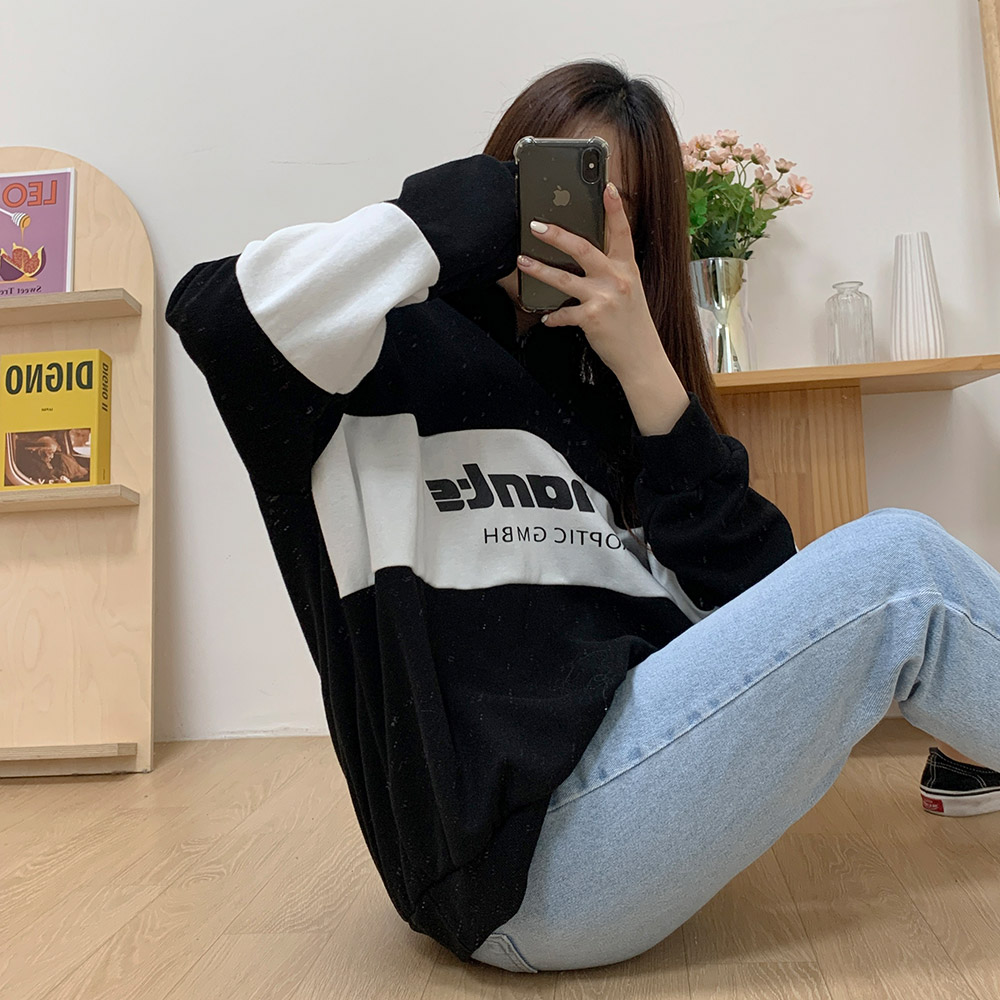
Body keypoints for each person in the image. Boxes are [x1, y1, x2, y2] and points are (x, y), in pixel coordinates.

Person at [165, 58, 1000, 974]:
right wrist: (468, 212)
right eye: (553, 179)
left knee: (889, 580)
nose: (574, 219)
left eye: (617, 207)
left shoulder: (608, 398)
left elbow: (768, 604)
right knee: (906, 572)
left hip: (629, 792)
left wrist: (647, 368)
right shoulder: (368, 353)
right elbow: (217, 314)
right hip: (526, 865)